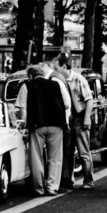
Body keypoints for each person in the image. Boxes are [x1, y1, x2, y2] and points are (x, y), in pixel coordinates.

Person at [53, 53, 95, 190]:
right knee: (67, 151)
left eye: (57, 68)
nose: (55, 71)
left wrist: (87, 117)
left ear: (64, 66)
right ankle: (67, 180)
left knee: (83, 151)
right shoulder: (58, 81)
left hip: (80, 117)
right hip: (68, 119)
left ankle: (88, 180)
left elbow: (89, 99)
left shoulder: (78, 79)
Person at [25, 65, 67, 196]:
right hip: (56, 124)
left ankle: (39, 188)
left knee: (36, 157)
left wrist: (23, 125)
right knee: (55, 157)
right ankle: (52, 187)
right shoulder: (55, 85)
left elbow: (22, 108)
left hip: (37, 125)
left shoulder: (27, 85)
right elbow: (65, 104)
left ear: (30, 75)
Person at [40, 61, 75, 193]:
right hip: (62, 121)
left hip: (62, 121)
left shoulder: (54, 80)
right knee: (61, 154)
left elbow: (66, 103)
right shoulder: (57, 78)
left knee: (61, 154)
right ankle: (61, 182)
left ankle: (63, 182)